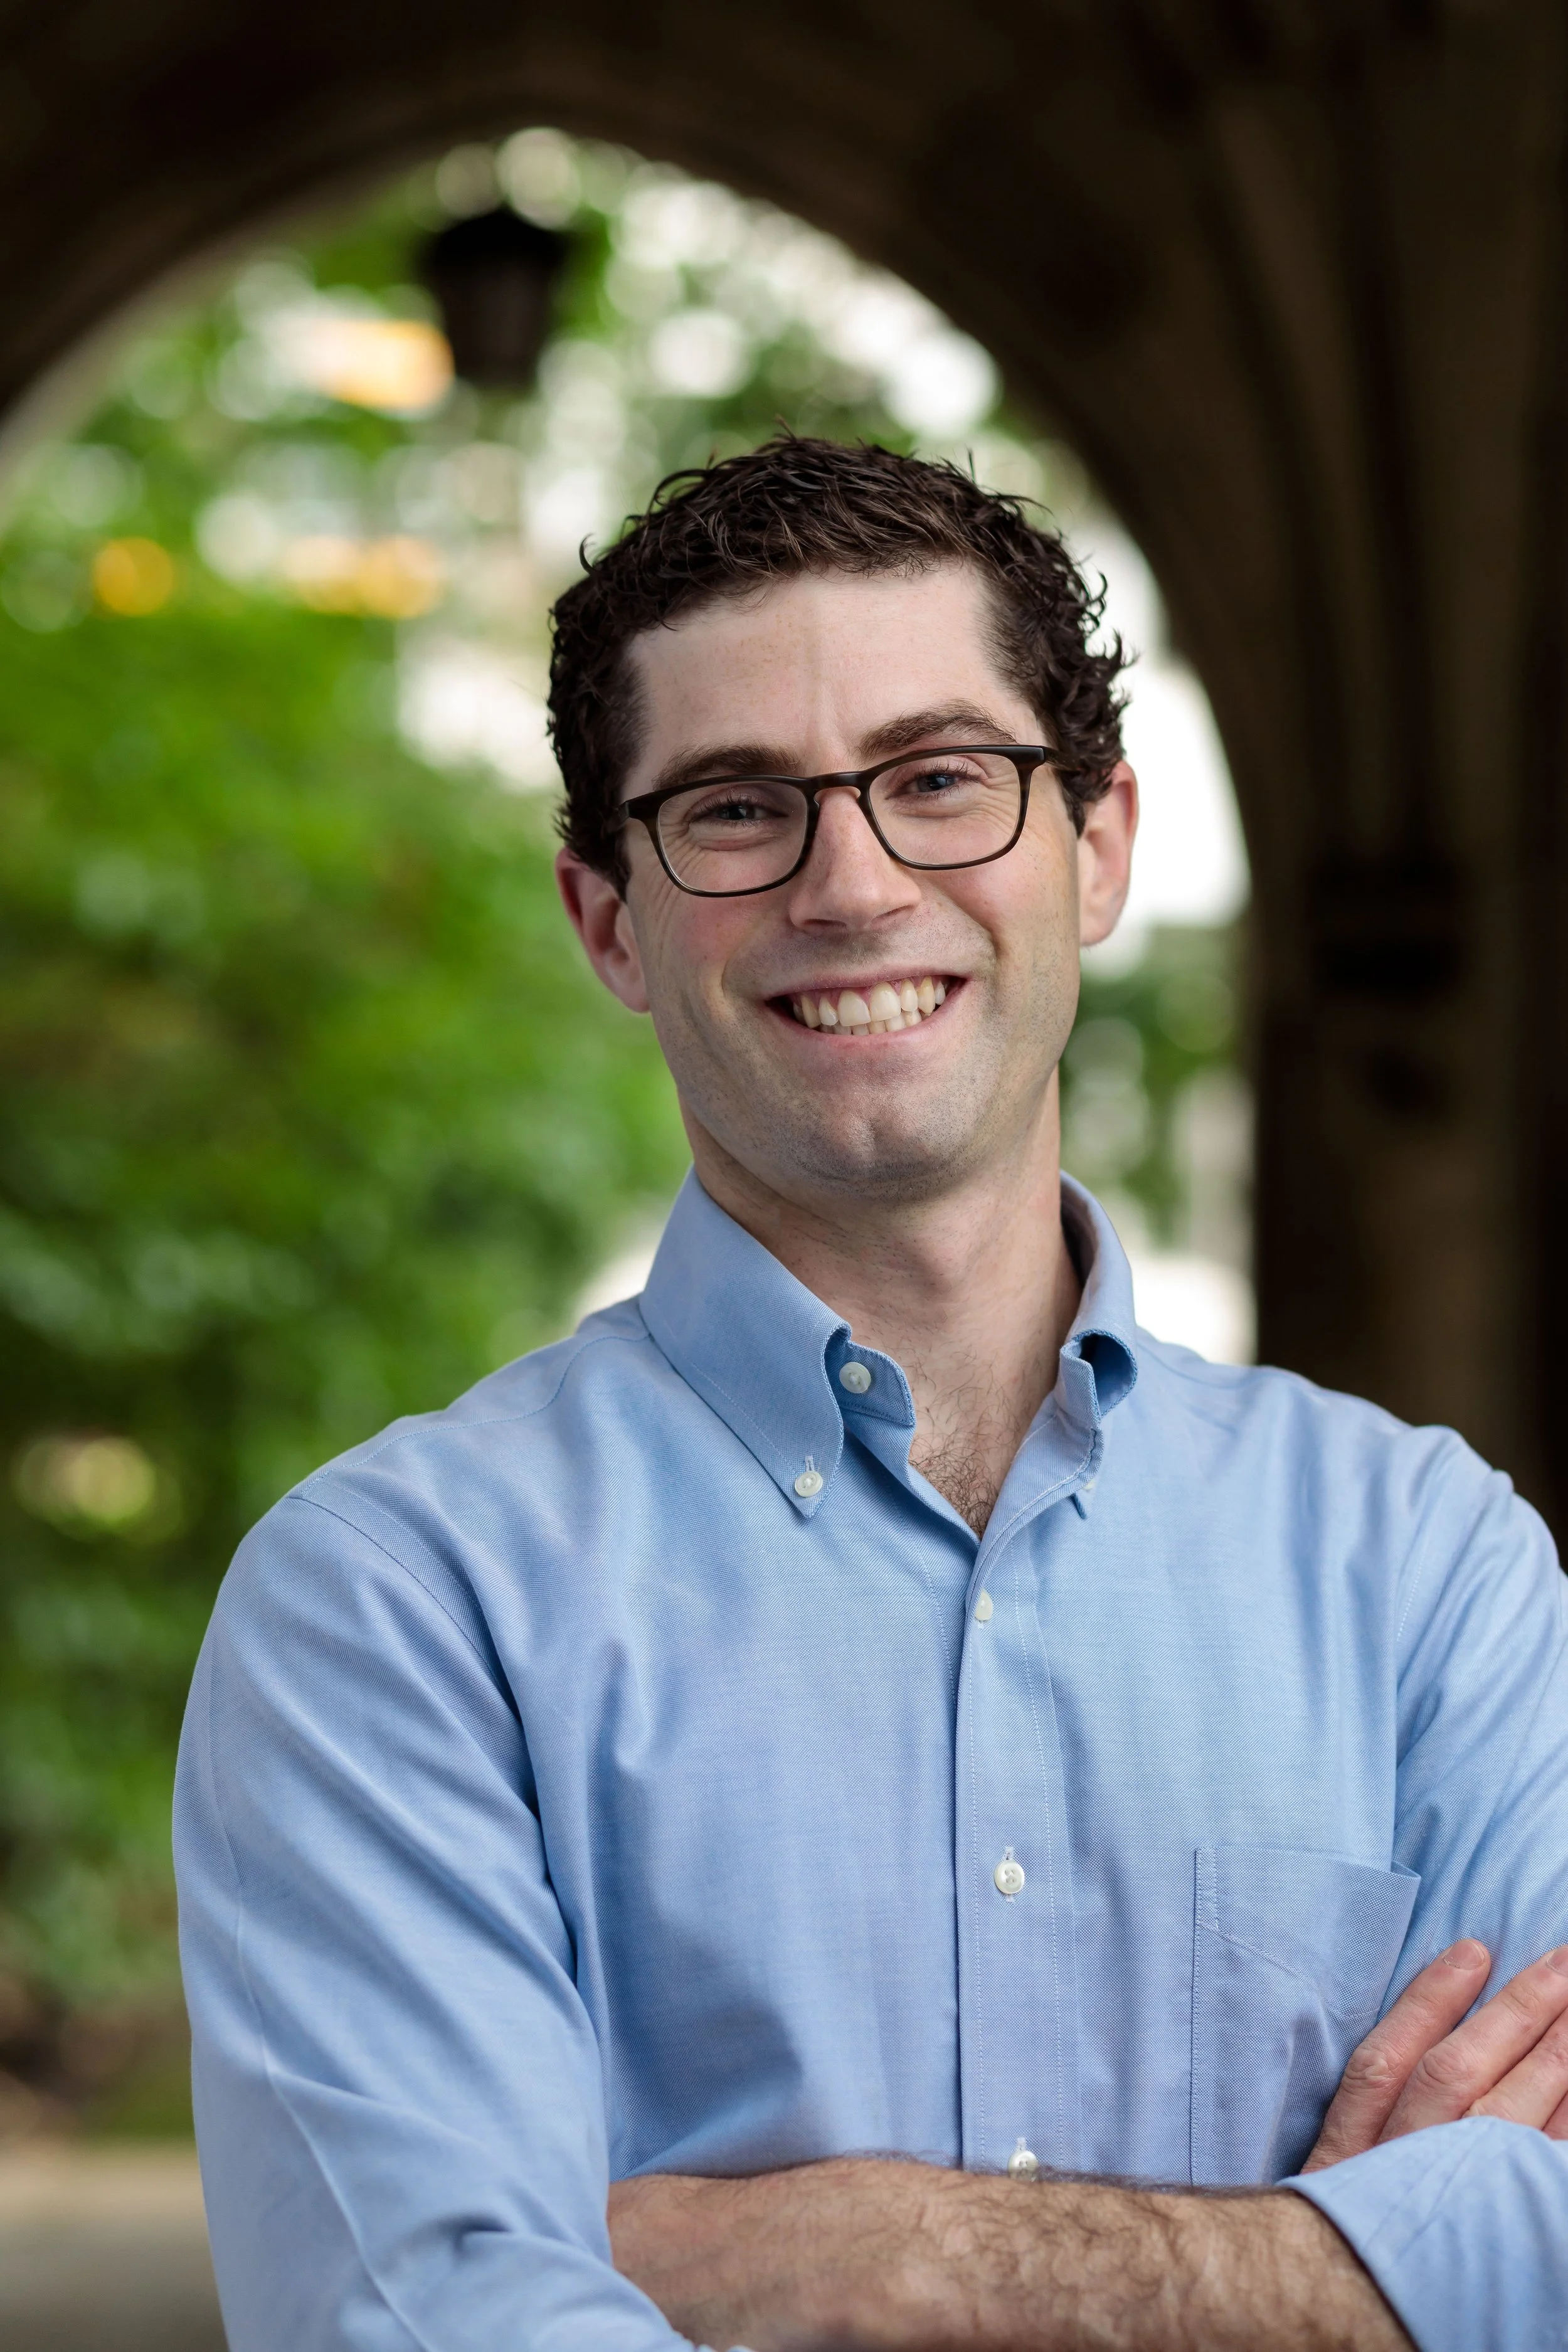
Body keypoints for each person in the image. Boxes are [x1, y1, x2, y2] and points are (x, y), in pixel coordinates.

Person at [175, 440, 1568, 2352]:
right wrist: (1355, 2264)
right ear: (609, 920)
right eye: (738, 809)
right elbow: (420, 2321)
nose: (854, 880)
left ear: (1093, 847)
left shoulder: (1425, 1564)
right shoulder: (397, 1603)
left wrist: (906, 2257)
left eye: (937, 778)